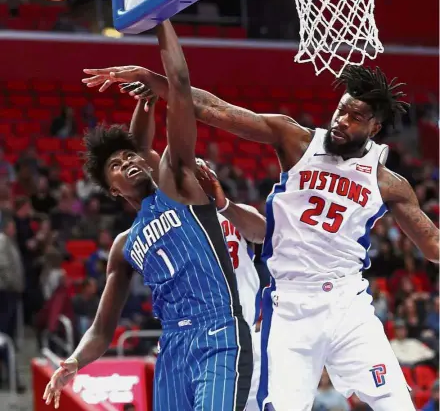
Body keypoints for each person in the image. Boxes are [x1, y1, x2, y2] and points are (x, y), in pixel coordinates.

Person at [84, 61, 439, 410]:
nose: (341, 122)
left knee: (396, 402)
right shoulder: (296, 139)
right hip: (290, 303)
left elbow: (433, 246)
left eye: (355, 118)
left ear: (374, 128)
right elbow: (213, 108)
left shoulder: (388, 183)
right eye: (341, 111)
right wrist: (154, 80)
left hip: (348, 301)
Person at [43, 21, 253, 411]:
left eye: (129, 157)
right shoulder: (124, 246)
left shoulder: (180, 183)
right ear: (112, 191)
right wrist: (73, 362)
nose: (128, 163)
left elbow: (181, 84)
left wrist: (160, 16)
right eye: (117, 167)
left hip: (220, 331)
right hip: (172, 346)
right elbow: (102, 329)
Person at [117, 79, 266, 411]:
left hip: (246, 334)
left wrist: (225, 205)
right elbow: (143, 152)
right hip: (203, 334)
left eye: (203, 167)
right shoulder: (176, 218)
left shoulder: (235, 214)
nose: (197, 170)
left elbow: (266, 234)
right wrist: (149, 101)